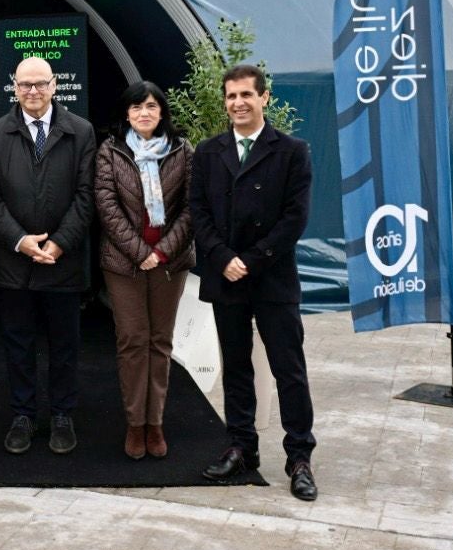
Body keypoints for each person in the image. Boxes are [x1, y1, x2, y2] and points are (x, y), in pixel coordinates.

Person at [187, 63, 318, 501]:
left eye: (246, 95)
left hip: (272, 277)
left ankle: (299, 457)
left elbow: (294, 218)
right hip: (227, 277)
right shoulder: (208, 152)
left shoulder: (292, 151)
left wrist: (253, 259)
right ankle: (242, 449)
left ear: (264, 97)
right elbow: (198, 213)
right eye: (231, 97)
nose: (238, 103)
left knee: (289, 371)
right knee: (237, 369)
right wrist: (224, 258)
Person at [0, 55, 96, 455]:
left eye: (40, 84)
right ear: (14, 86)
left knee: (65, 345)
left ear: (54, 86)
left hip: (63, 262)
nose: (32, 91)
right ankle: (23, 415)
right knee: (18, 344)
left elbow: (87, 195)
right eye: (25, 84)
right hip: (13, 264)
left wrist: (58, 243)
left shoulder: (80, 131)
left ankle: (62, 415)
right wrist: (21, 240)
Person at [95, 80, 195, 460]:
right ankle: (135, 424)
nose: (144, 114)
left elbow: (191, 207)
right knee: (133, 340)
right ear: (126, 113)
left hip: (170, 263)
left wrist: (164, 250)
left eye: (151, 106)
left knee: (160, 342)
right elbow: (106, 205)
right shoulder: (111, 151)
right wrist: (140, 252)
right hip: (124, 263)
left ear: (161, 111)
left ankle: (156, 423)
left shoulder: (182, 151)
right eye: (137, 108)